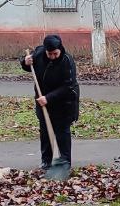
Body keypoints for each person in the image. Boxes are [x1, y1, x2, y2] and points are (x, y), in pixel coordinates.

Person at [20, 34, 80, 171]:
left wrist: (48, 98)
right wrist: (25, 63)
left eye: (55, 54)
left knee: (62, 131)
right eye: (50, 54)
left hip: (64, 102)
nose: (52, 56)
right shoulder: (39, 53)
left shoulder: (67, 61)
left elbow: (68, 86)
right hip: (42, 100)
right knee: (45, 131)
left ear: (60, 49)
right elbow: (30, 67)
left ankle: (65, 162)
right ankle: (46, 161)